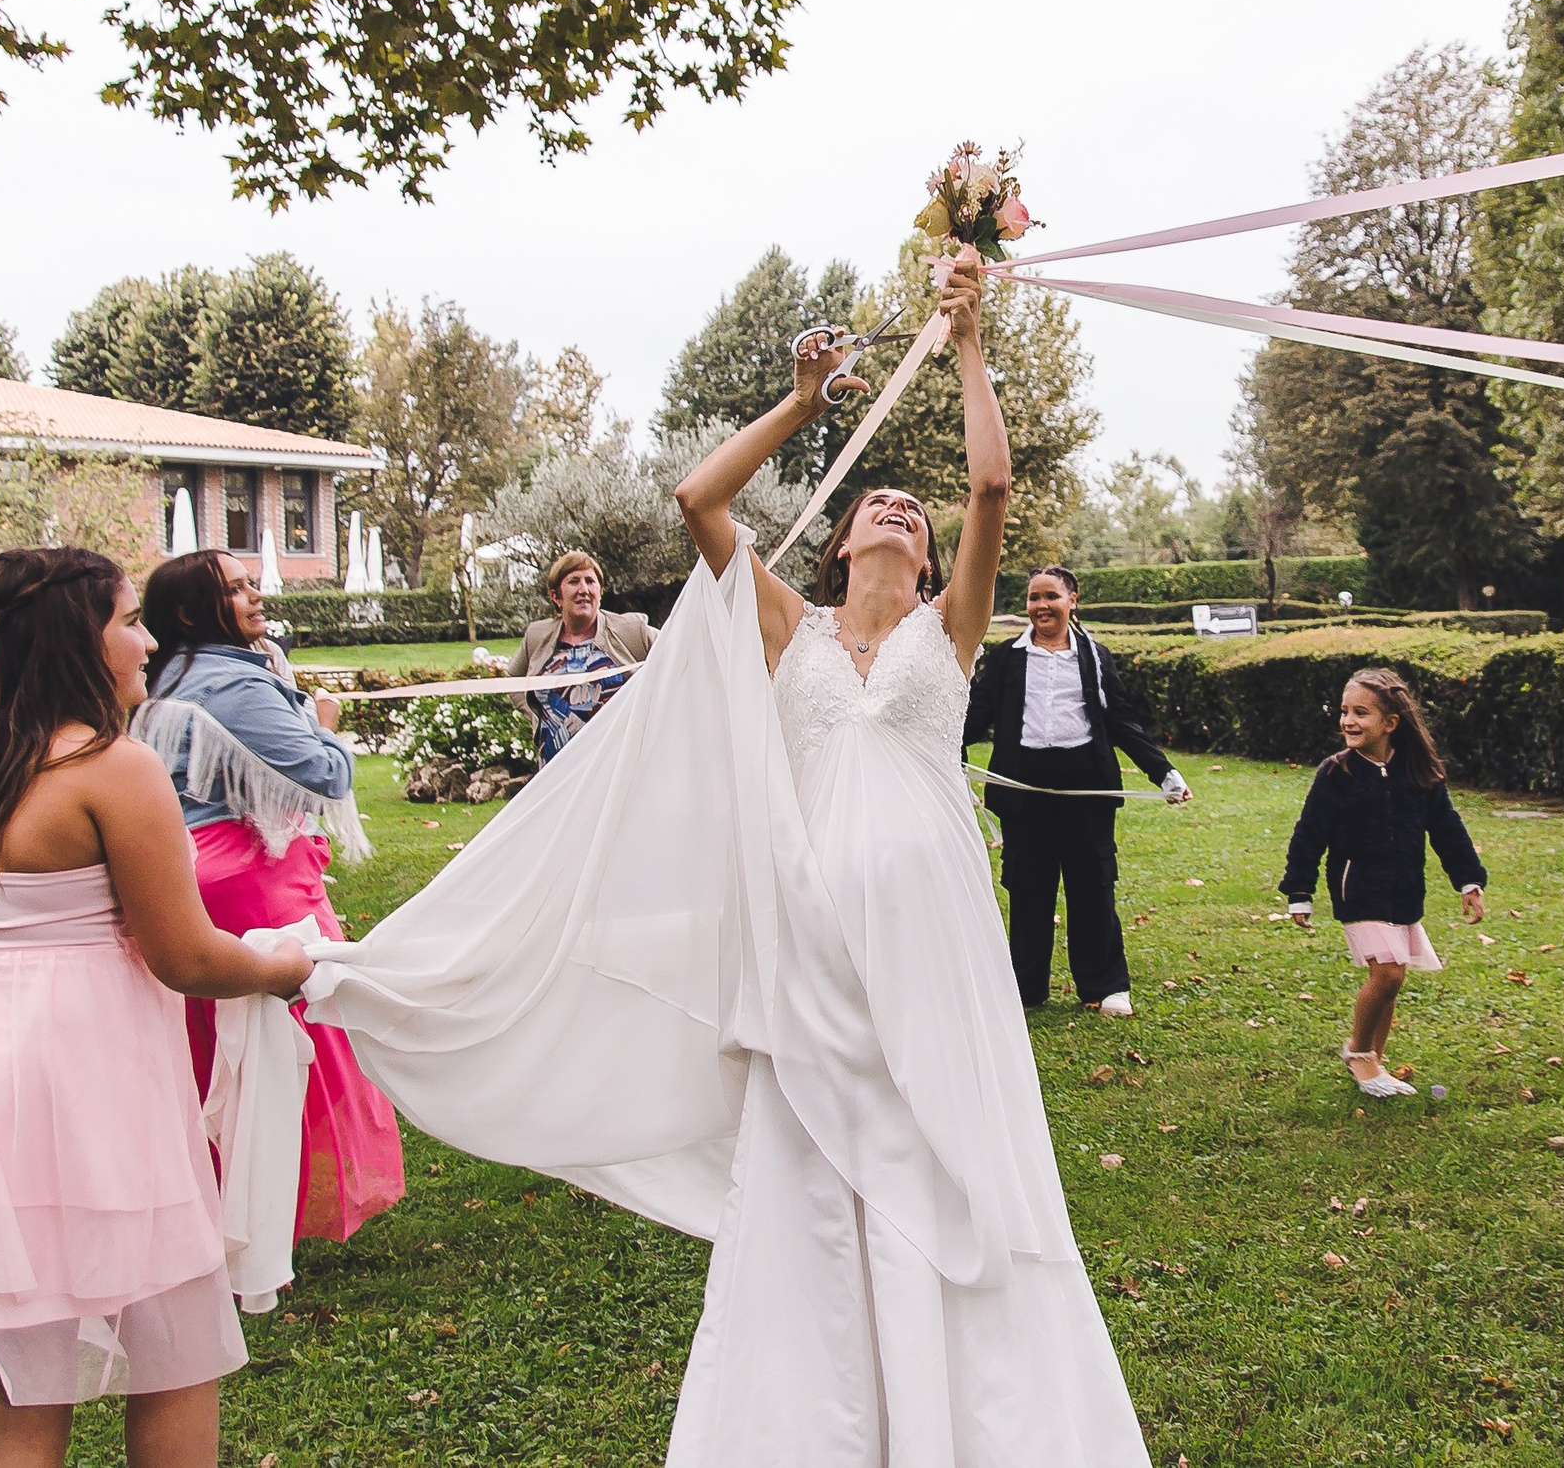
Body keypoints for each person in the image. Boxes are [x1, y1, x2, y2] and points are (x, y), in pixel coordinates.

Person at [296, 251, 1153, 1465]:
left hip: (934, 924)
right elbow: (700, 499)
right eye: (878, 504)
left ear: (928, 559)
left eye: (913, 513)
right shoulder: (785, 625)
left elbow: (993, 482)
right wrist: (800, 405)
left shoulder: (950, 630)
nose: (900, 512)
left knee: (944, 1130)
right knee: (813, 1163)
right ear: (841, 541)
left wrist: (967, 342)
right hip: (806, 927)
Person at [0, 547, 311, 1466]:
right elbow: (184, 954)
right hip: (83, 1086)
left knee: (16, 1400)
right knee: (175, 1358)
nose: (148, 640)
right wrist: (278, 965)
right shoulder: (113, 768)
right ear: (77, 640)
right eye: (129, 621)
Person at [135, 548, 404, 1246]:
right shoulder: (232, 683)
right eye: (236, 588)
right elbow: (322, 775)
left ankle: (220, 1193)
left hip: (193, 870)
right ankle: (279, 1201)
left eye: (252, 583)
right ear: (191, 611)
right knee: (291, 1041)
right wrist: (324, 721)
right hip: (254, 879)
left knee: (217, 1044)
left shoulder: (167, 675)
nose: (255, 595)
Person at [965, 564, 1189, 1016]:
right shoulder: (1007, 658)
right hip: (1024, 792)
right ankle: (1025, 990)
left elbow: (1122, 722)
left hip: (1086, 789)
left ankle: (1105, 987)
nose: (1041, 606)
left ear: (1072, 600)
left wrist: (1164, 773)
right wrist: (938, 752)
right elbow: (975, 716)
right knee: (1028, 891)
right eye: (1033, 597)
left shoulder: (1095, 656)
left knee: (1093, 886)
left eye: (1051, 596)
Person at [1280, 668, 1487, 1097]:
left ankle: (1375, 1058)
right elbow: (1309, 834)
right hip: (1358, 890)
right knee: (1388, 973)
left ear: (1391, 723)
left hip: (1404, 891)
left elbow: (1447, 828)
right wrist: (1299, 891)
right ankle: (1359, 1054)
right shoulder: (1336, 773)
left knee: (1394, 977)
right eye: (1344, 711)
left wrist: (1468, 879)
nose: (1348, 721)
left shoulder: (1418, 772)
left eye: (1361, 713)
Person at [509, 551, 658, 763]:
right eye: (574, 581)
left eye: (590, 581)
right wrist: (537, 717)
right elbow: (513, 678)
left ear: (600, 592)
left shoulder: (631, 630)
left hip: (616, 765)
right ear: (556, 596)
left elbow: (676, 652)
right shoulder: (537, 636)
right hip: (556, 768)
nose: (584, 589)